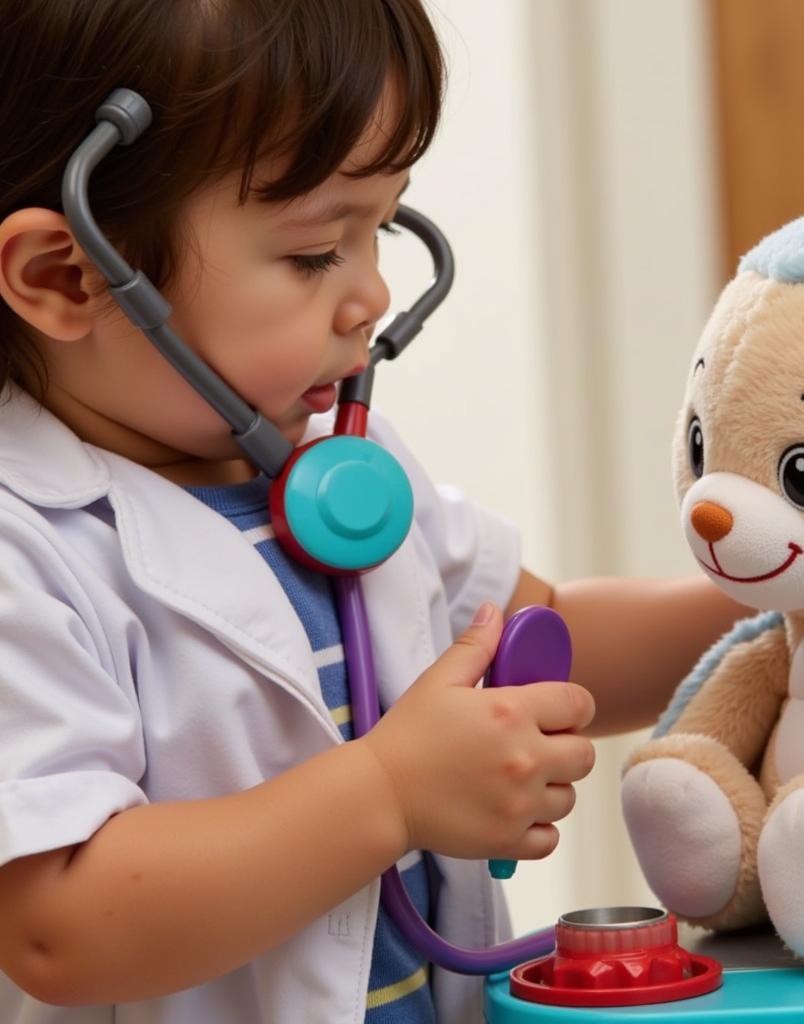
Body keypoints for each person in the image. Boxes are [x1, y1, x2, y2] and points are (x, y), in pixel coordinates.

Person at [0, 2, 746, 1022]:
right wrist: (388, 796)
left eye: (381, 228)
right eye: (315, 253)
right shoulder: (24, 550)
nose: (372, 293)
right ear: (66, 275)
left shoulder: (339, 473)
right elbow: (61, 924)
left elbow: (544, 638)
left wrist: (779, 610)